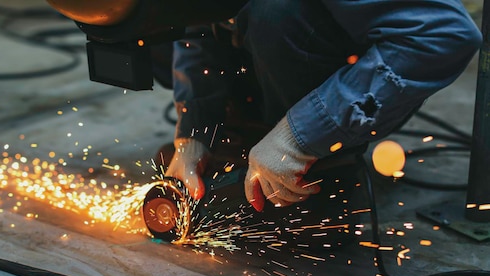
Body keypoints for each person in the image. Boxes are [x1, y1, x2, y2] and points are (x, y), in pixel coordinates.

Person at [164, 0, 482, 212]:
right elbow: (197, 20)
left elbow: (444, 35)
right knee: (161, 29)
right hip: (265, 49)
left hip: (340, 57)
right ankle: (252, 136)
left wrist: (299, 135)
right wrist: (194, 131)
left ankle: (319, 161)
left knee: (275, 12)